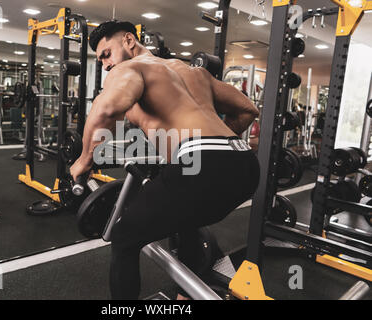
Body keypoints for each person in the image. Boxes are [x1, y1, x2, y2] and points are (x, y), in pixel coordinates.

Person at [69, 20, 260, 300]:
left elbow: (105, 110)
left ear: (129, 41)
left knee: (123, 239)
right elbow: (247, 109)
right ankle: (187, 295)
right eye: (100, 60)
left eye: (106, 54)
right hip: (244, 165)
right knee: (184, 218)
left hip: (201, 165)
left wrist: (84, 161)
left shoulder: (131, 68)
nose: (106, 65)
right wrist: (218, 151)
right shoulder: (194, 72)